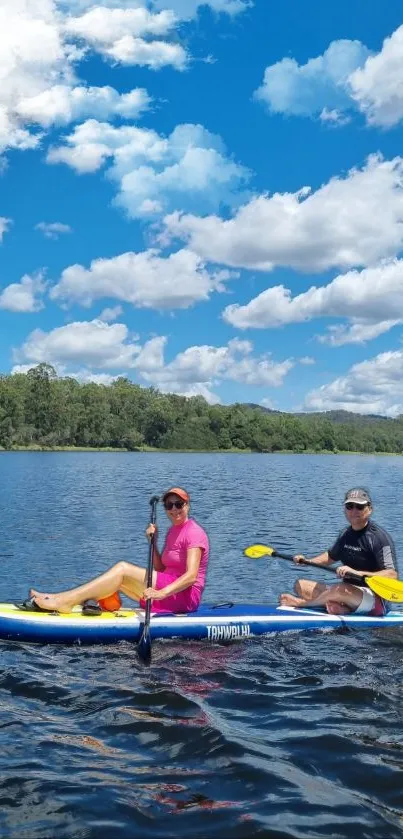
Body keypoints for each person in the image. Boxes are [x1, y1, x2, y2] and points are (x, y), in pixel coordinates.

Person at [28, 487, 209, 614]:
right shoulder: (173, 531)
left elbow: (191, 576)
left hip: (185, 596)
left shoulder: (194, 532)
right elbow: (161, 571)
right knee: (117, 582)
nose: (174, 509)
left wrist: (160, 593)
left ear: (187, 505)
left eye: (178, 504)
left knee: (122, 569)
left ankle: (64, 602)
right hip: (170, 588)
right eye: (169, 505)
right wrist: (152, 543)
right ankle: (59, 597)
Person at [279, 488, 398, 616]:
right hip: (348, 593)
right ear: (345, 509)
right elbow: (330, 556)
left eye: (359, 506)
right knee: (301, 585)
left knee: (339, 589)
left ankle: (300, 604)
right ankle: (343, 607)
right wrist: (307, 561)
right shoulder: (345, 534)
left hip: (376, 600)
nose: (354, 510)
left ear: (369, 509)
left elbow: (392, 575)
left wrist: (356, 573)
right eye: (349, 506)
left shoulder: (379, 538)